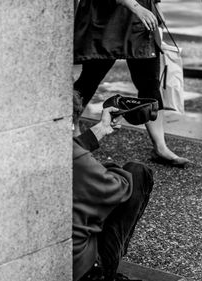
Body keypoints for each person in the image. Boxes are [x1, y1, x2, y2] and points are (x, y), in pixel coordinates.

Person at [73, 0, 190, 168]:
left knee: (149, 82)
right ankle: (72, 129)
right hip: (109, 18)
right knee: (91, 77)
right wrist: (136, 7)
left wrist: (154, 9)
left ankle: (160, 147)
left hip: (140, 20)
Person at [72, 91, 154, 281]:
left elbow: (75, 148)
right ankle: (106, 270)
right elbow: (120, 188)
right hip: (81, 269)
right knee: (137, 172)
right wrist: (106, 168)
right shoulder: (78, 160)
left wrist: (101, 128)